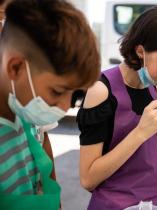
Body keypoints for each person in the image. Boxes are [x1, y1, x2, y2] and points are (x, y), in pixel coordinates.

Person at [77, 6, 157, 210]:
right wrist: (140, 132)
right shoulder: (101, 91)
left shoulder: (154, 90)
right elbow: (88, 179)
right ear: (140, 51)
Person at [0, 0, 100, 209]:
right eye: (57, 91)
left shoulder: (25, 111)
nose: (64, 108)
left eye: (74, 96)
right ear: (16, 67)